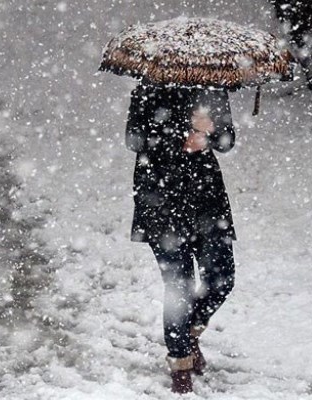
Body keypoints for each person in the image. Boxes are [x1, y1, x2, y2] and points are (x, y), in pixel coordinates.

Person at [125, 81, 237, 394]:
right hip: (160, 200)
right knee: (179, 287)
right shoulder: (147, 90)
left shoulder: (212, 89)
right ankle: (180, 363)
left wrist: (210, 133)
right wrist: (182, 134)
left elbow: (227, 141)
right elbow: (134, 140)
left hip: (206, 201)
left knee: (222, 277)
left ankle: (188, 333)